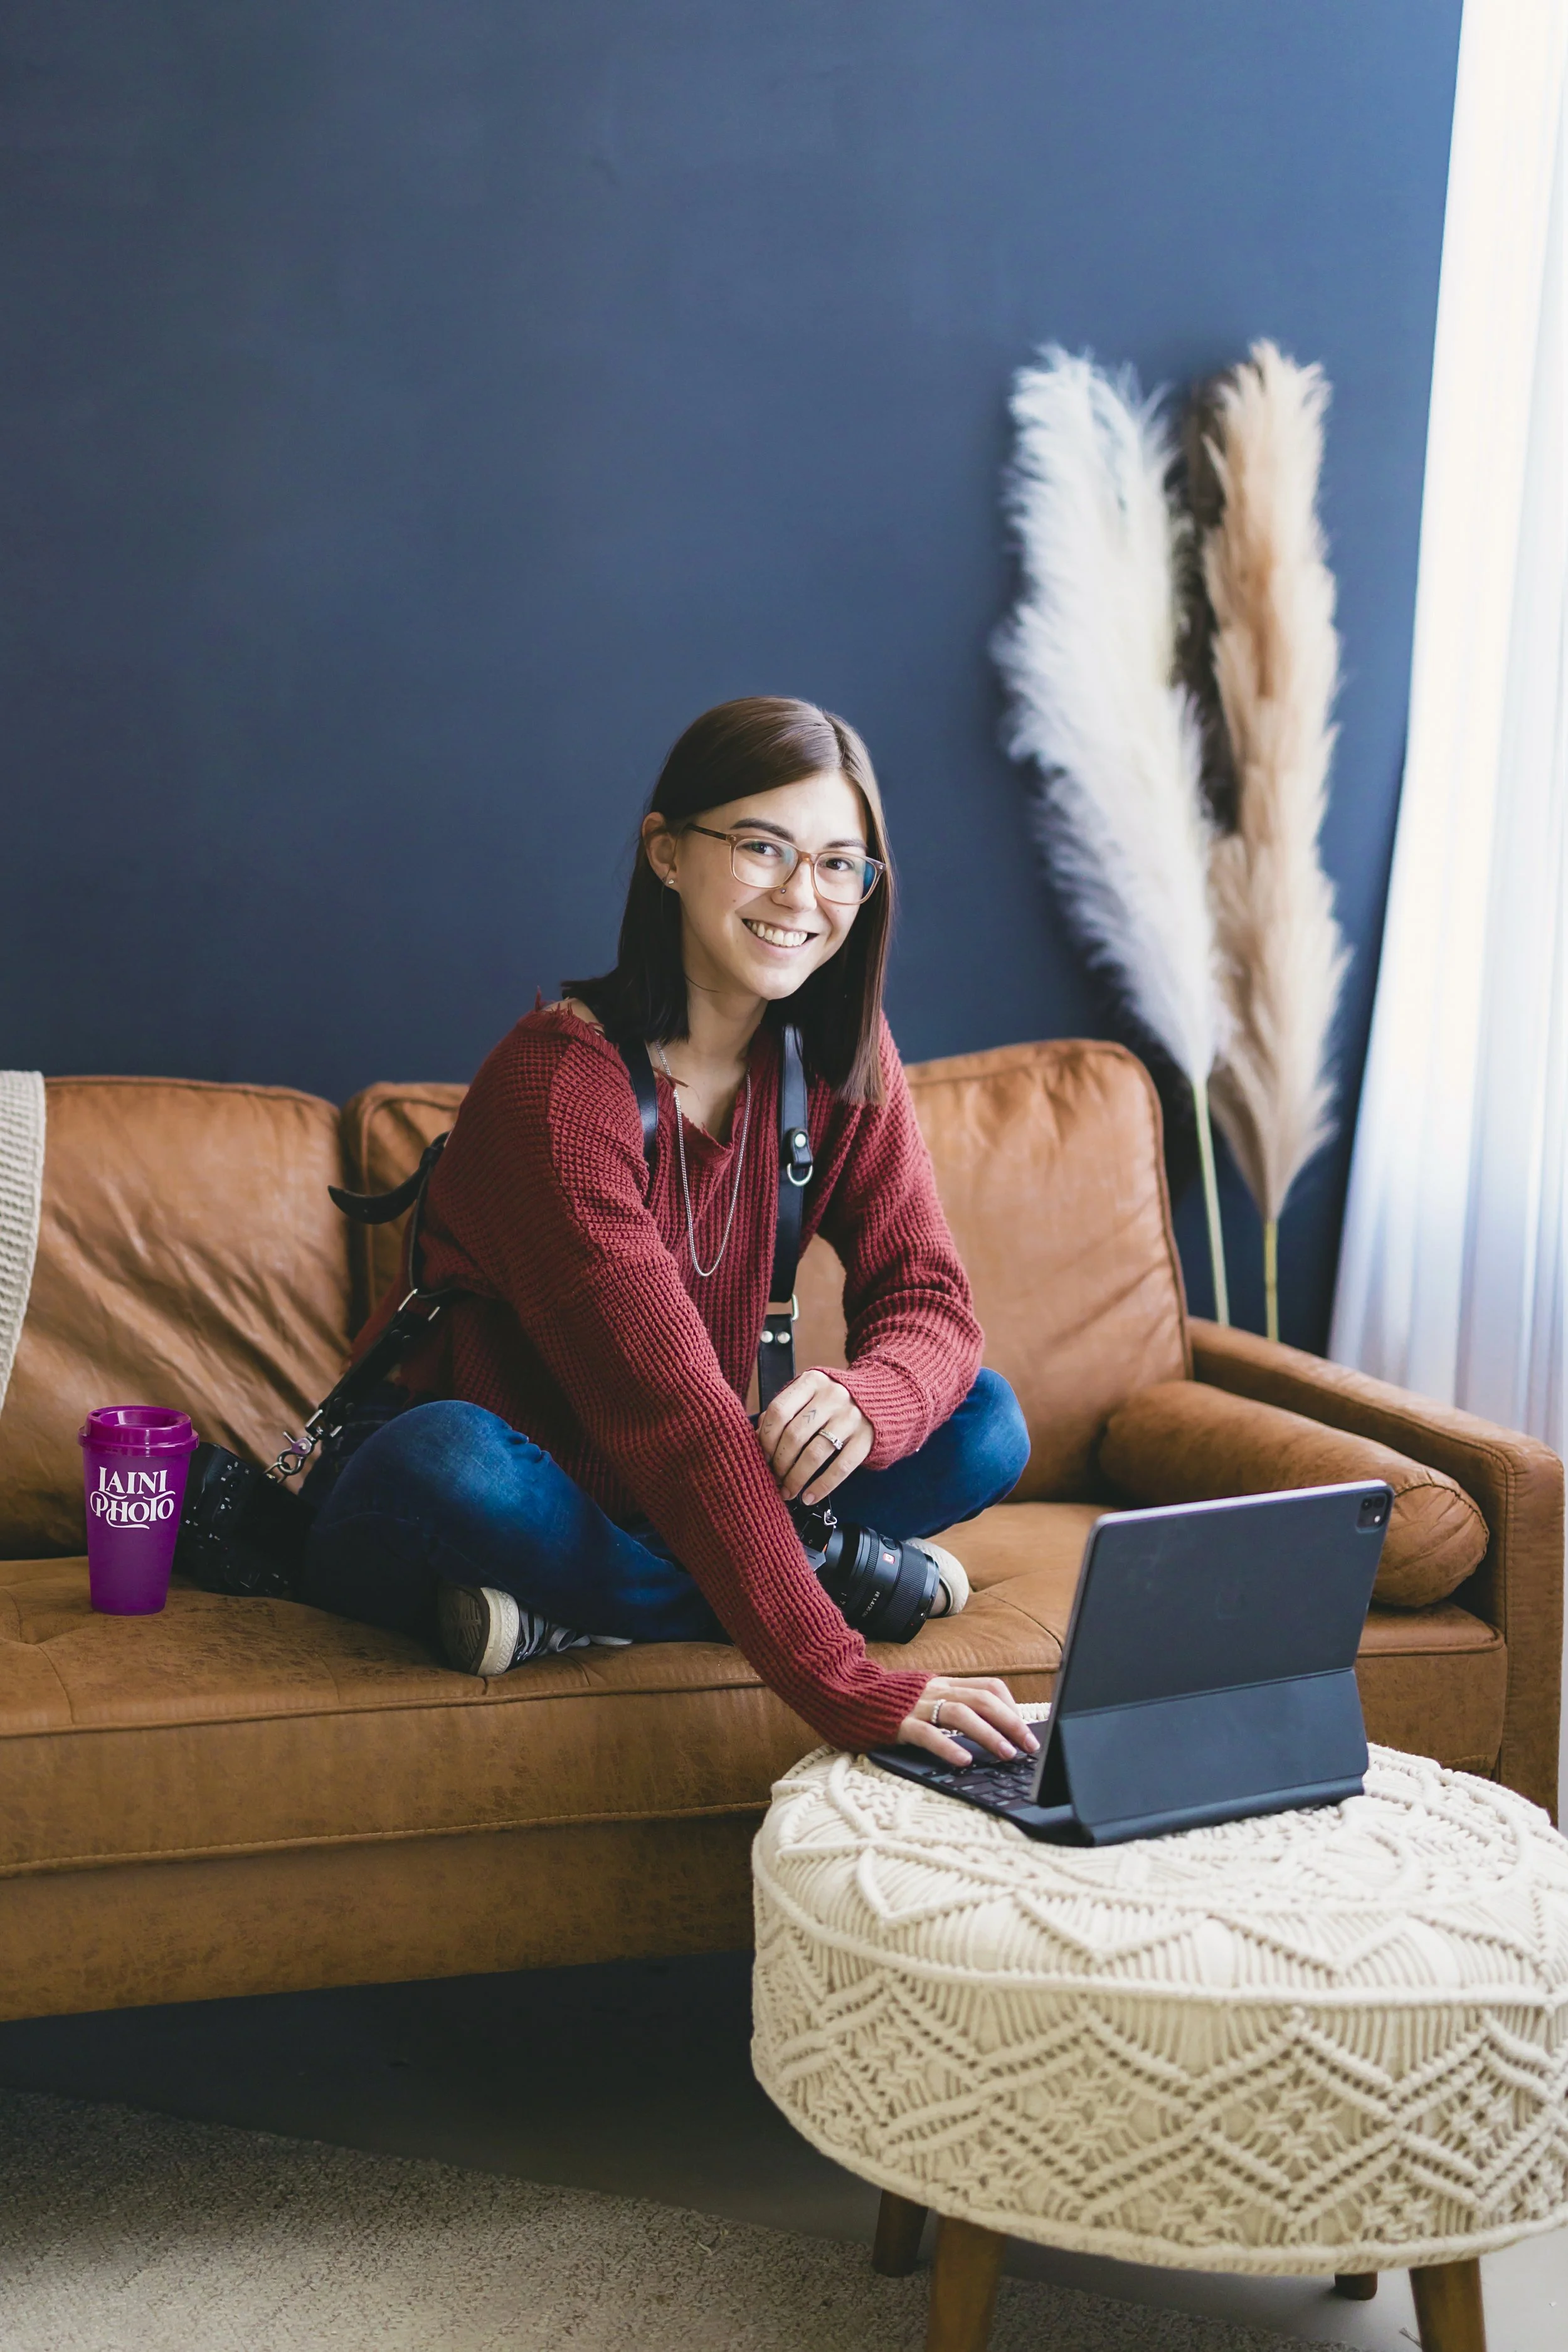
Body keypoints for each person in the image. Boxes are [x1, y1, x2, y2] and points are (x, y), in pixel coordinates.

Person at [300, 697, 1037, 1771]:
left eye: (841, 864)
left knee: (983, 1416)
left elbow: (930, 1302)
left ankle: (589, 1611)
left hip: (663, 1504)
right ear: (668, 853)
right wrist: (847, 1679)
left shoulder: (838, 1054)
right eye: (762, 848)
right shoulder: (560, 1088)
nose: (802, 895)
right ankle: (820, 1568)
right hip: (520, 1486)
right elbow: (678, 1421)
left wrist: (867, 1400)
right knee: (444, 1455)